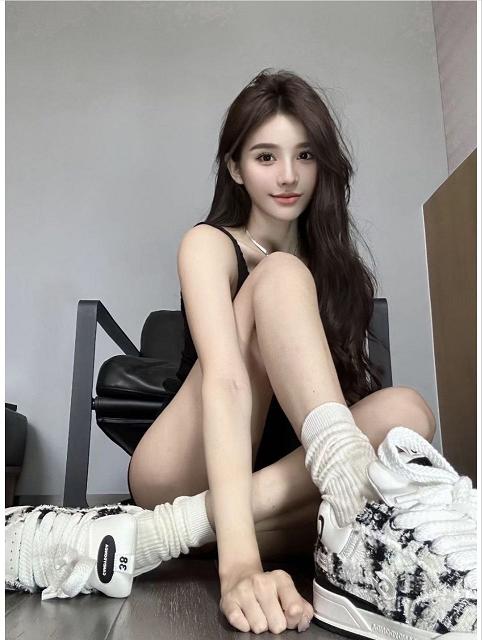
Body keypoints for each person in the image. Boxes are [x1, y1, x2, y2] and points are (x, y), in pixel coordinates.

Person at [6, 69, 476, 637]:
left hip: (277, 482)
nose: (288, 175)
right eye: (265, 157)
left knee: (408, 413)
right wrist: (240, 569)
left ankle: (159, 535)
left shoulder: (340, 273)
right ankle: (327, 518)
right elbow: (227, 382)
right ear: (235, 168)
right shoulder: (210, 244)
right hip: (187, 463)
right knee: (280, 275)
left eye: (304, 155)